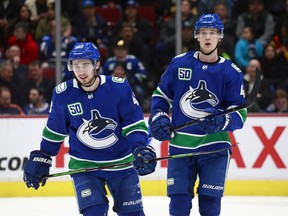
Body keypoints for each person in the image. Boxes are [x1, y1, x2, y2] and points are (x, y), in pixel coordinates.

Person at [23, 42, 157, 216]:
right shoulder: (63, 94)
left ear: (97, 64)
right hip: (84, 167)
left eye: (85, 65)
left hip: (121, 164)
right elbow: (55, 130)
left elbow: (133, 124)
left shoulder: (119, 87)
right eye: (76, 66)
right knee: (94, 212)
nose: (81, 71)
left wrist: (140, 147)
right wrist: (43, 154)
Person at [148, 14, 247, 216]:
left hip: (214, 149)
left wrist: (222, 120)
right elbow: (161, 95)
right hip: (180, 148)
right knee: (178, 206)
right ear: (196, 36)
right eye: (203, 33)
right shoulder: (179, 63)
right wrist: (158, 116)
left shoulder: (231, 72)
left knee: (210, 207)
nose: (208, 37)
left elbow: (240, 113)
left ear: (220, 36)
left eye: (212, 33)